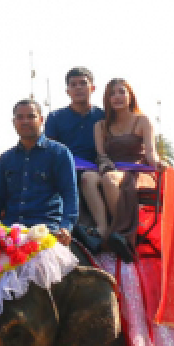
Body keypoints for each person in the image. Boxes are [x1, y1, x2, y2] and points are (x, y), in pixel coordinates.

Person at [0, 99, 78, 239]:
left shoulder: (59, 153)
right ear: (14, 122)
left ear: (41, 120)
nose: (25, 121)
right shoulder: (6, 158)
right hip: (10, 233)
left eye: (31, 116)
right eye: (20, 117)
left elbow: (70, 195)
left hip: (46, 232)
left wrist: (66, 227)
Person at [44, 68, 108, 246]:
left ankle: (103, 231)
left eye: (83, 83)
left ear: (92, 88)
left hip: (95, 171)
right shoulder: (55, 117)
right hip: (65, 169)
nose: (78, 88)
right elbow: (50, 151)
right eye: (73, 85)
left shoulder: (103, 116)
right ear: (67, 91)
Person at [92, 77, 157, 247]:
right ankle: (103, 228)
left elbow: (151, 152)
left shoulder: (142, 120)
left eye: (122, 92)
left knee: (110, 179)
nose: (117, 97)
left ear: (130, 96)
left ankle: (123, 233)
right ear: (107, 99)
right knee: (87, 179)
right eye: (112, 94)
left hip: (138, 171)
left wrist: (159, 165)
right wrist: (106, 166)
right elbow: (101, 155)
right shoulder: (100, 126)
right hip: (110, 168)